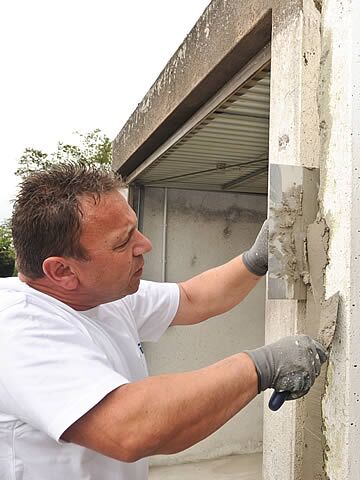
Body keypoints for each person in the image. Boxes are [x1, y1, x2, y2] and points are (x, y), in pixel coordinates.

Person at [0, 163, 326, 480]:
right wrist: (261, 367)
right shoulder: (18, 327)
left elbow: (193, 298)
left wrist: (256, 260)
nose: (145, 245)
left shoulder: (104, 296)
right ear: (63, 271)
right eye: (123, 241)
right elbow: (130, 428)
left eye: (134, 228)